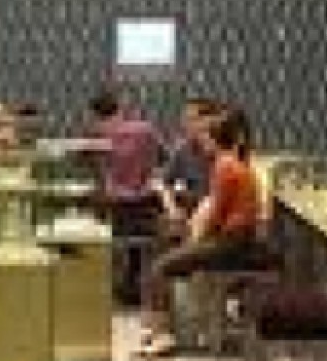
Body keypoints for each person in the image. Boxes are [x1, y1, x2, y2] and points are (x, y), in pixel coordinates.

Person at [138, 104, 262, 356]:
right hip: (233, 238)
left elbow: (215, 215)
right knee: (168, 250)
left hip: (230, 242)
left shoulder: (224, 165)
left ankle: (165, 334)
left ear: (215, 139)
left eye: (206, 135)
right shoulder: (233, 163)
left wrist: (194, 239)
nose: (201, 138)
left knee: (160, 267)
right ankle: (180, 325)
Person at [88, 91, 162, 307]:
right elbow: (162, 157)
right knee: (140, 241)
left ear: (95, 114)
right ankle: (135, 284)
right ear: (120, 108)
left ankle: (108, 284)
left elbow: (88, 165)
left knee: (100, 226)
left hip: (114, 208)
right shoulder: (146, 130)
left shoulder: (96, 134)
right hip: (144, 207)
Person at [155, 98, 222, 238]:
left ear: (209, 121)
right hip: (192, 214)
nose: (185, 125)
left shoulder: (225, 151)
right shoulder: (183, 149)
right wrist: (172, 209)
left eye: (192, 119)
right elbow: (162, 182)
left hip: (218, 217)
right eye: (185, 120)